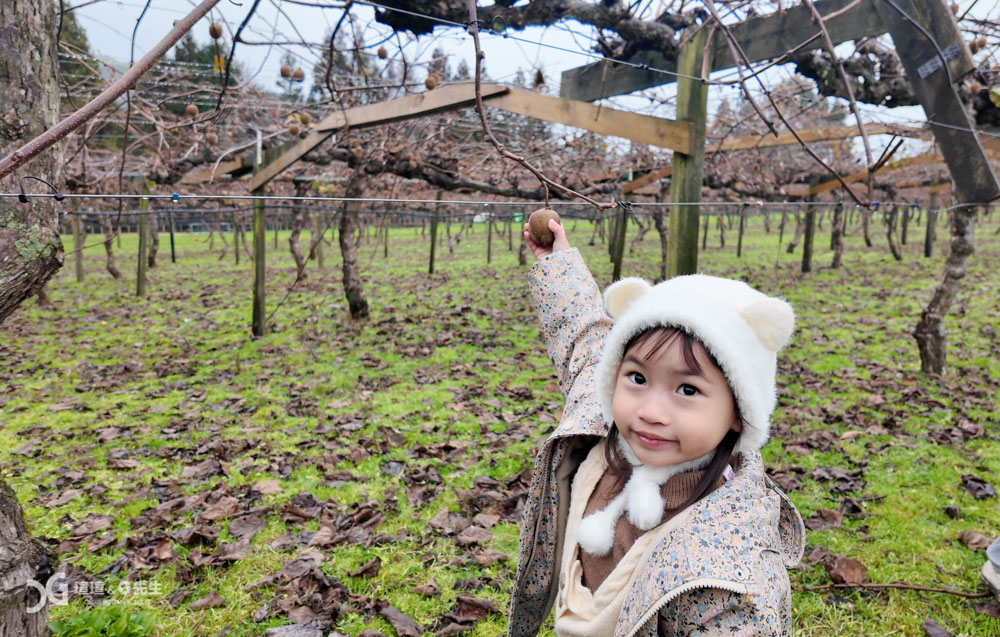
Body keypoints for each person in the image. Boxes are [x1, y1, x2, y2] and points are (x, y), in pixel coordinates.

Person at [508, 218, 805, 637]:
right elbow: (584, 336)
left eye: (687, 389)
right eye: (638, 378)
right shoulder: (602, 420)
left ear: (740, 411)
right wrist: (558, 265)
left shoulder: (729, 570)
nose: (650, 411)